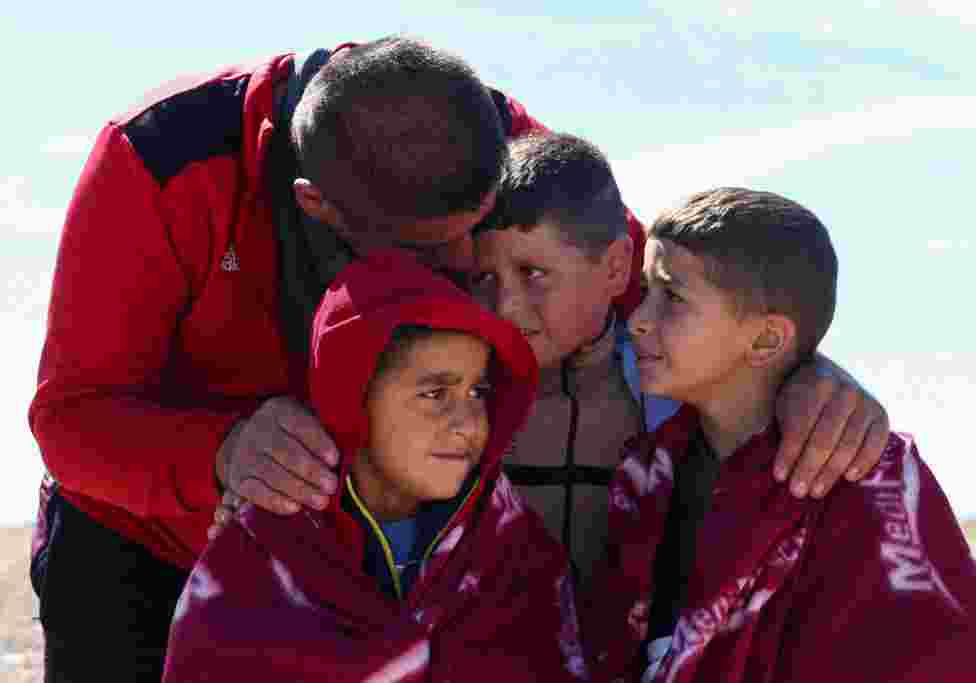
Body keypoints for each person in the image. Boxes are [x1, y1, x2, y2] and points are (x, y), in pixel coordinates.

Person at [28, 37, 885, 682]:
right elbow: (71, 418)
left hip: (374, 564)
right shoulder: (161, 161)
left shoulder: (493, 137)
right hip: (142, 549)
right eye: (426, 254)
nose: (470, 278)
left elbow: (659, 288)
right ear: (316, 205)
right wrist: (224, 451)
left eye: (475, 240)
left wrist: (804, 374)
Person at [584, 188, 976, 682]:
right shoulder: (647, 476)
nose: (638, 321)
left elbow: (958, 663)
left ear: (767, 338)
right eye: (645, 292)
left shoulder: (865, 476)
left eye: (672, 299)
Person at [471, 133, 888, 587]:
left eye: (533, 274)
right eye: (483, 277)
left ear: (616, 267)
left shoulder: (679, 381)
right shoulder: (455, 388)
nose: (505, 305)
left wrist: (812, 374)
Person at [162, 249, 586, 682]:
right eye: (435, 394)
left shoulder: (516, 555)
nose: (469, 424)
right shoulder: (254, 568)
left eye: (478, 393)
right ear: (355, 400)